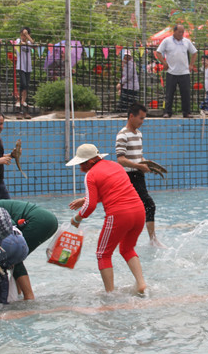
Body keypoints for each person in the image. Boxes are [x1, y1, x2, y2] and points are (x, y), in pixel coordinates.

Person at [66, 144, 147, 293]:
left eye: (80, 164)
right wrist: (85, 199)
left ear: (87, 162)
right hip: (139, 211)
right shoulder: (115, 166)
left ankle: (110, 294)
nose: (80, 168)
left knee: (103, 254)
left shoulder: (90, 175)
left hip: (119, 215)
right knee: (127, 248)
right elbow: (112, 191)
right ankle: (141, 283)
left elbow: (90, 207)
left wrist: (76, 219)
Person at [115, 103, 165, 248]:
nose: (142, 122)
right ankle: (153, 239)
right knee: (149, 205)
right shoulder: (122, 135)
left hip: (138, 175)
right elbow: (121, 159)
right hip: (129, 177)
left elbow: (138, 156)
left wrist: (147, 164)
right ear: (131, 116)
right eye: (141, 118)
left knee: (133, 208)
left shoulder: (138, 134)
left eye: (144, 119)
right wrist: (139, 166)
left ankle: (126, 237)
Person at [0, 199, 58, 300]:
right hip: (48, 219)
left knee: (13, 256)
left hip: (38, 221)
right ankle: (18, 292)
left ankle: (28, 297)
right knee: (14, 255)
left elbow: (9, 226)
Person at [155, 24, 197, 118]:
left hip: (184, 72)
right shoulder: (167, 41)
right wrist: (164, 63)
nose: (181, 34)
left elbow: (194, 53)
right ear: (174, 32)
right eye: (179, 32)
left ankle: (186, 112)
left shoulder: (186, 41)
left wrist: (191, 65)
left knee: (185, 93)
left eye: (182, 32)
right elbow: (158, 53)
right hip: (171, 72)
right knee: (169, 93)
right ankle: (167, 112)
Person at [14, 27, 34, 118]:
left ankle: (22, 102)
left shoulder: (29, 42)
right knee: (23, 84)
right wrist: (23, 39)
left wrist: (27, 36)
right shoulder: (18, 41)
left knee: (26, 85)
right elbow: (19, 44)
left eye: (25, 35)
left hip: (28, 67)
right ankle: (20, 101)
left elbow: (33, 44)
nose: (23, 36)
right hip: (21, 66)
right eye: (22, 34)